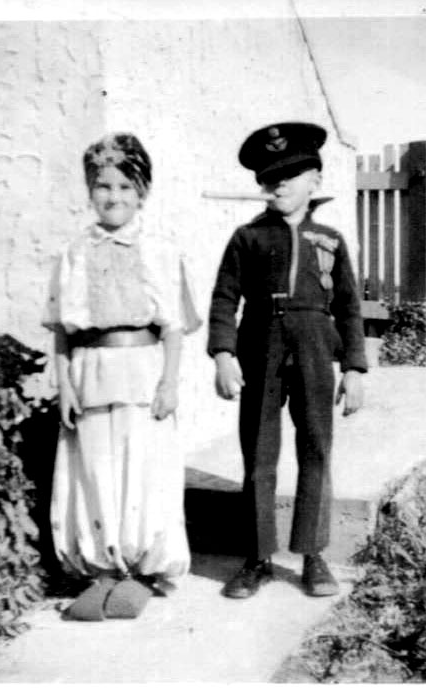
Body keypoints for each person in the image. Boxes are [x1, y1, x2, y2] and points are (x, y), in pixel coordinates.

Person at [43, 133, 201, 619]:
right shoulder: (74, 252)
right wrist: (65, 384)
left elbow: (173, 326)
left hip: (141, 371)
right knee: (95, 469)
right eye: (103, 187)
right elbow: (63, 333)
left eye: (125, 188)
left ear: (142, 194)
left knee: (140, 468)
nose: (113, 197)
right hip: (91, 372)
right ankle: (102, 569)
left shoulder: (159, 250)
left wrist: (170, 382)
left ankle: (141, 570)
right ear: (90, 191)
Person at [207, 121, 367, 600]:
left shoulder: (332, 239)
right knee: (259, 455)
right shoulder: (247, 237)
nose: (279, 183)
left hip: (317, 346)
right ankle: (258, 559)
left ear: (315, 179)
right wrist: (222, 353)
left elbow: (349, 307)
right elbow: (223, 300)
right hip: (261, 346)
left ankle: (313, 555)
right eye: (268, 175)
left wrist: (354, 367)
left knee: (316, 448)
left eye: (292, 172)